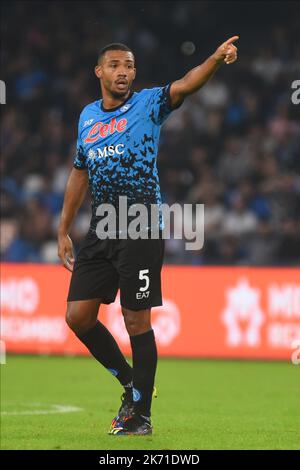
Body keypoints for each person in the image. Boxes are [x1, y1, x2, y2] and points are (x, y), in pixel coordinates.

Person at [57, 38, 238, 436]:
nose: (123, 71)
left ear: (135, 73)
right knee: (78, 316)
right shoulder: (87, 117)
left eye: (129, 65)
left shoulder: (149, 104)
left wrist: (214, 59)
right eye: (115, 65)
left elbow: (186, 84)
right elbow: (79, 172)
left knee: (136, 320)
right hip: (102, 226)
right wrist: (64, 227)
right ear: (99, 72)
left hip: (139, 224)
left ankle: (141, 416)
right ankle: (131, 384)